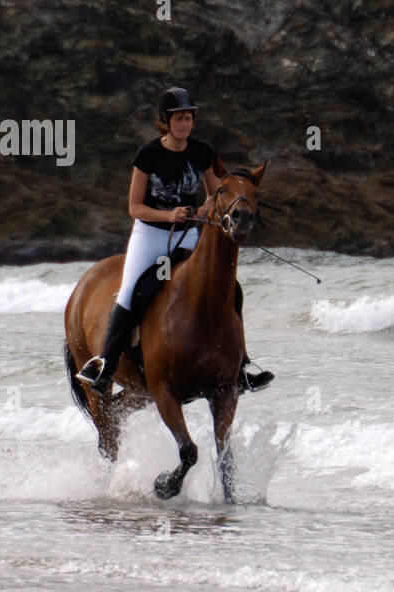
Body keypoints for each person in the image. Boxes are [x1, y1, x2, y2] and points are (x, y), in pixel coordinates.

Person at [75, 87, 274, 395]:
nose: (185, 125)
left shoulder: (201, 151)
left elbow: (215, 194)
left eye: (189, 119)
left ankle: (241, 367)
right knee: (130, 291)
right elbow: (134, 207)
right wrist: (169, 215)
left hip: (190, 233)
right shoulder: (149, 154)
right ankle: (106, 364)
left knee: (229, 287)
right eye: (179, 119)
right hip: (151, 234)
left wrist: (218, 215)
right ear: (165, 122)